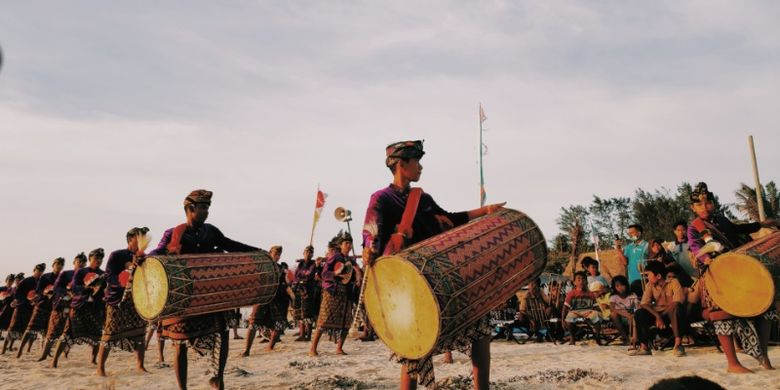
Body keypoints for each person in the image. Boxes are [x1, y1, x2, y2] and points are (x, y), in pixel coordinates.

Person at [361, 140, 505, 389]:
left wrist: (485, 211)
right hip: (410, 284)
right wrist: (369, 250)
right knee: (414, 351)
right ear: (401, 164)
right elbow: (371, 232)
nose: (421, 167)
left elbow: (449, 219)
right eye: (416, 161)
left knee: (480, 327)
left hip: (439, 277)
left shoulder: (423, 198)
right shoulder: (382, 198)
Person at [149, 189, 260, 390]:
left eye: (208, 207)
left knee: (222, 334)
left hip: (210, 296)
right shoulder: (174, 233)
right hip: (185, 297)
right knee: (180, 344)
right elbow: (158, 252)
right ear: (190, 209)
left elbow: (229, 244)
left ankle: (218, 379)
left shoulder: (211, 231)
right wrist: (145, 259)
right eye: (203, 207)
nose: (207, 211)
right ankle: (182, 388)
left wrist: (257, 251)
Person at [687, 182, 778, 373]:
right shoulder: (694, 227)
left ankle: (764, 358)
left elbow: (739, 230)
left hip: (739, 271)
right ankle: (732, 363)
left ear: (713, 203)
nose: (705, 207)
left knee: (764, 309)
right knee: (722, 316)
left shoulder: (722, 220)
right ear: (693, 208)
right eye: (700, 205)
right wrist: (707, 258)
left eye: (708, 203)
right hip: (716, 274)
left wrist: (761, 225)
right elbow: (696, 248)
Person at [95, 227, 150, 376]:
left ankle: (140, 366)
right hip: (117, 299)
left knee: (140, 332)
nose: (141, 240)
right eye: (138, 237)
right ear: (130, 239)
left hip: (137, 300)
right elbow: (108, 275)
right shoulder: (117, 255)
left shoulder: (145, 257)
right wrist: (122, 280)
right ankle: (100, 368)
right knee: (109, 332)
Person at [51, 248, 106, 368]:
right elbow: (74, 287)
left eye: (101, 258)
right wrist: (87, 288)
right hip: (79, 307)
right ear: (90, 258)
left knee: (97, 336)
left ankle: (93, 360)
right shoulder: (81, 272)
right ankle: (54, 361)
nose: (99, 260)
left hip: (95, 308)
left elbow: (105, 291)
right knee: (67, 334)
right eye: (96, 258)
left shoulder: (103, 274)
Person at [308, 231, 361, 356]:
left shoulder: (351, 260)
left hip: (346, 293)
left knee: (345, 322)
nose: (348, 246)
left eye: (350, 243)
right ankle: (313, 349)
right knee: (324, 320)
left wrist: (358, 277)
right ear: (341, 245)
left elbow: (357, 271)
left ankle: (339, 348)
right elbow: (324, 274)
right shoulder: (334, 257)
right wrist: (336, 274)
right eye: (346, 243)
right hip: (332, 292)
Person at [37, 253, 86, 361]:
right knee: (52, 330)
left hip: (75, 307)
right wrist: (66, 293)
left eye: (83, 262)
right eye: (79, 261)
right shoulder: (66, 274)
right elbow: (56, 287)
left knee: (69, 332)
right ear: (74, 262)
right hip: (59, 305)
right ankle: (44, 355)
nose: (81, 264)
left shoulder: (85, 276)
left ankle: (65, 354)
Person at [631, 261, 685, 357]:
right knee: (639, 313)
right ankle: (644, 347)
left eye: (649, 275)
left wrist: (661, 315)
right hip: (658, 315)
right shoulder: (649, 285)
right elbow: (644, 303)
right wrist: (657, 316)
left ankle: (678, 345)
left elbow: (677, 301)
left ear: (658, 276)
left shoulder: (673, 282)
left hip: (671, 314)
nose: (647, 278)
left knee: (676, 308)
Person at [243, 245, 288, 355]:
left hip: (276, 298)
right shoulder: (261, 267)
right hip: (262, 297)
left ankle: (270, 347)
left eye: (279, 255)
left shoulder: (281, 268)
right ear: (270, 253)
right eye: (275, 254)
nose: (277, 256)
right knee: (253, 323)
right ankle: (247, 350)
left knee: (278, 324)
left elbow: (285, 283)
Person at [17, 258, 64, 358]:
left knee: (47, 331)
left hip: (53, 308)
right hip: (41, 306)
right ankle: (20, 351)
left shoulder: (62, 278)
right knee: (30, 329)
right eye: (58, 264)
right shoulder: (45, 277)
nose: (59, 266)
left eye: (61, 265)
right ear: (53, 265)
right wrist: (45, 292)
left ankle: (44, 352)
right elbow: (38, 290)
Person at [2, 264, 44, 355]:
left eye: (41, 271)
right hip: (21, 308)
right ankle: (3, 350)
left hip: (32, 309)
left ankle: (27, 349)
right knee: (12, 329)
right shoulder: (26, 281)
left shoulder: (41, 282)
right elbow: (17, 294)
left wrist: (37, 299)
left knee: (31, 331)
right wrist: (27, 299)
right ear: (34, 270)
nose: (40, 272)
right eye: (38, 270)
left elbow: (42, 294)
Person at [561, 271, 601, 345]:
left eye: (583, 279)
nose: (581, 281)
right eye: (578, 280)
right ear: (574, 282)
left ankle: (597, 337)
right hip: (575, 312)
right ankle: (572, 337)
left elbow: (596, 306)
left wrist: (598, 313)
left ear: (586, 281)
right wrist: (563, 319)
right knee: (569, 319)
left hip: (588, 312)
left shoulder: (590, 293)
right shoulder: (571, 293)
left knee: (596, 317)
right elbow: (565, 307)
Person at [292, 245, 318, 341]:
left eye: (310, 252)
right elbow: (296, 276)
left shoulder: (313, 264)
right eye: (306, 252)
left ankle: (308, 335)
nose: (308, 254)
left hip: (308, 290)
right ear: (303, 253)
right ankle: (302, 334)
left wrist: (302, 279)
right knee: (300, 313)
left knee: (308, 313)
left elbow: (309, 275)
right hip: (299, 289)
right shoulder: (300, 264)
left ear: (312, 254)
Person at [608, 275, 638, 345]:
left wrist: (631, 314)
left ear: (626, 285)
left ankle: (634, 338)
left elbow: (636, 307)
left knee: (633, 316)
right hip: (620, 317)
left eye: (622, 285)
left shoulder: (632, 295)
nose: (620, 288)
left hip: (632, 315)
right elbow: (612, 308)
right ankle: (626, 337)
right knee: (613, 314)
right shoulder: (613, 297)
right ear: (614, 287)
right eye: (617, 286)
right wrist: (625, 314)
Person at [0, 274, 15, 341]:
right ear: (6, 280)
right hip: (1, 308)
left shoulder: (13, 291)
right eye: (9, 280)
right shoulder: (1, 288)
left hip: (9, 309)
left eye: (12, 281)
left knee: (5, 323)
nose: (10, 282)